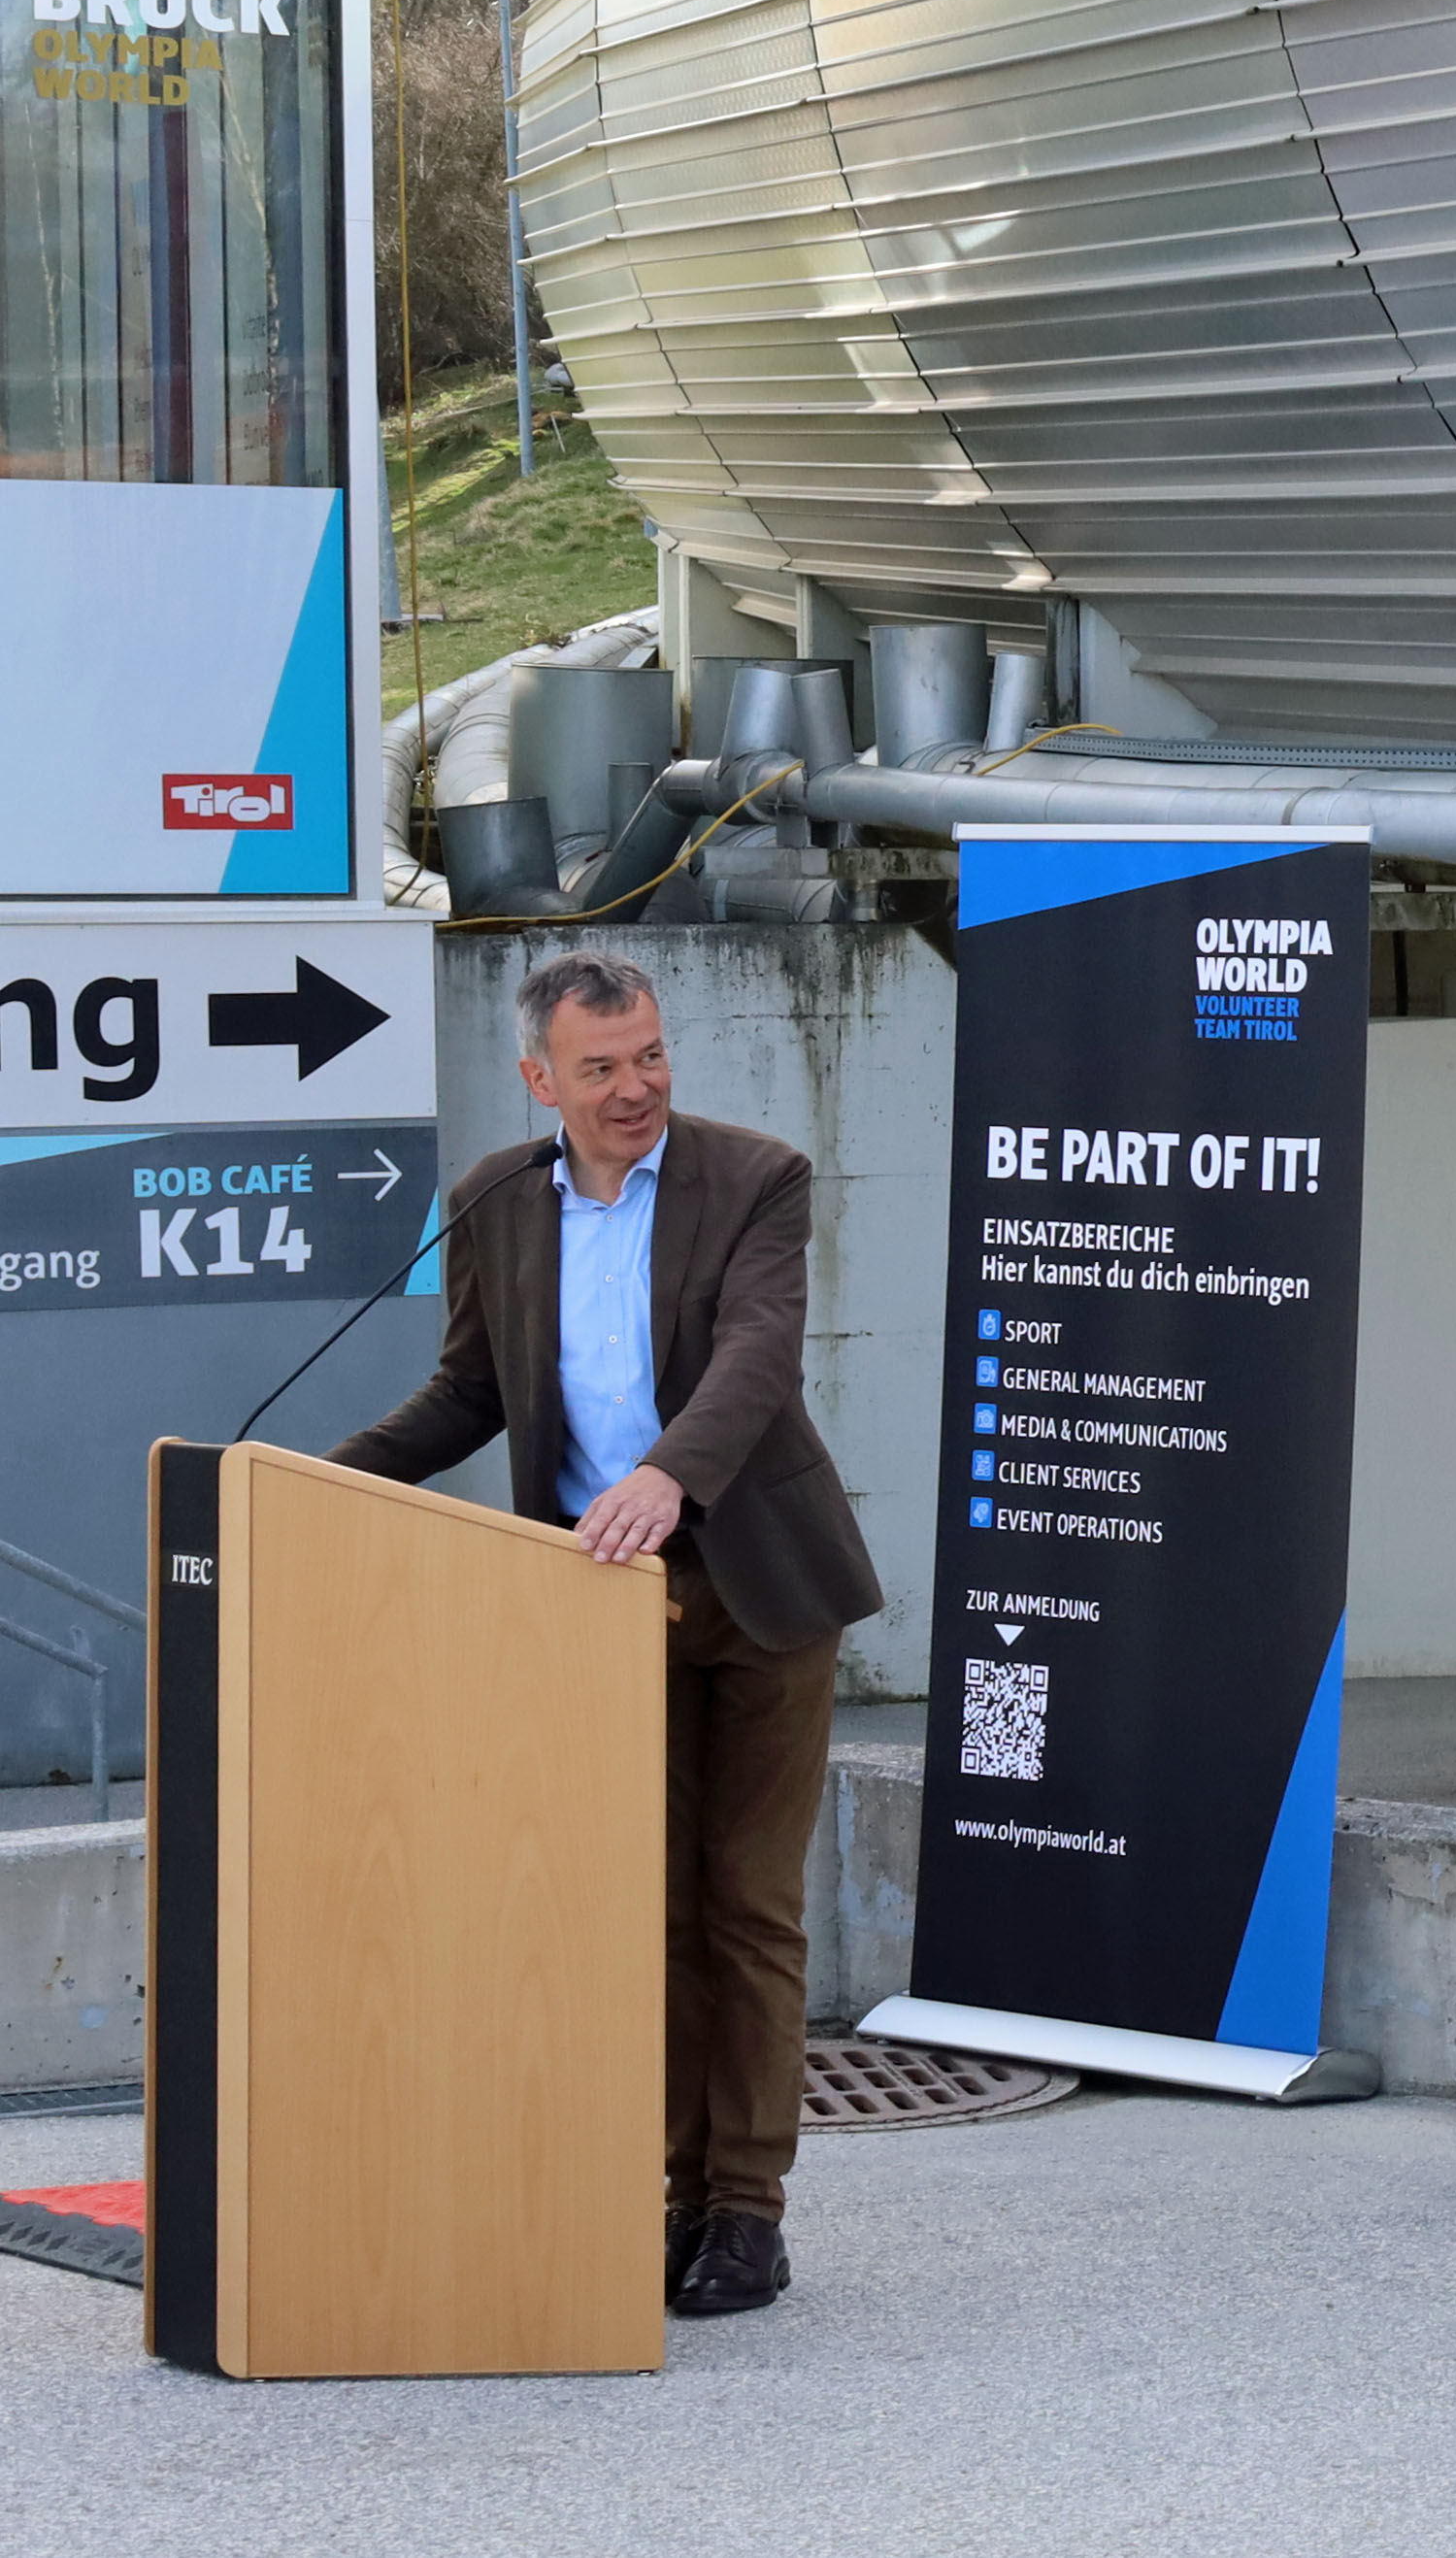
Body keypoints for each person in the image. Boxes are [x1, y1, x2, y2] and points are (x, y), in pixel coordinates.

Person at [335, 948, 882, 2319]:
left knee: (748, 1903)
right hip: (598, 1596)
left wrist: (666, 1474)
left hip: (759, 1580)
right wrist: (318, 1482)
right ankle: (679, 2196)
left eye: (649, 1055)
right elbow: (469, 1392)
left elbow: (759, 1355)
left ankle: (747, 2211)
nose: (636, 1086)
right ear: (541, 1080)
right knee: (653, 1911)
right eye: (601, 1068)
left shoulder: (756, 1177)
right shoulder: (493, 1201)